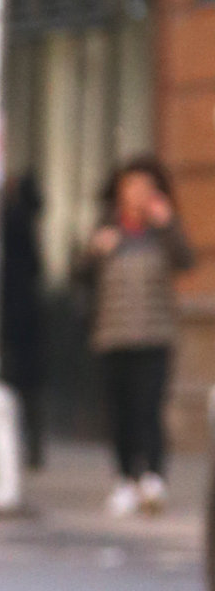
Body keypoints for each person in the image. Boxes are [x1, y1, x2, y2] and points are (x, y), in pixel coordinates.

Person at [81, 155, 194, 516]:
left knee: (149, 408)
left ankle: (153, 478)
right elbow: (77, 273)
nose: (137, 194)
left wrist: (169, 224)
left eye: (145, 187)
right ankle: (127, 479)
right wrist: (95, 250)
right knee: (120, 413)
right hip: (112, 335)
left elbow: (188, 260)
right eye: (131, 186)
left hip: (155, 335)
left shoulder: (162, 232)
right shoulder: (107, 230)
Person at [0, 171, 45, 470]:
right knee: (27, 386)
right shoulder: (19, 222)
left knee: (19, 383)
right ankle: (29, 447)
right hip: (21, 316)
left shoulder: (7, 221)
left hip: (13, 317)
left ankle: (23, 446)